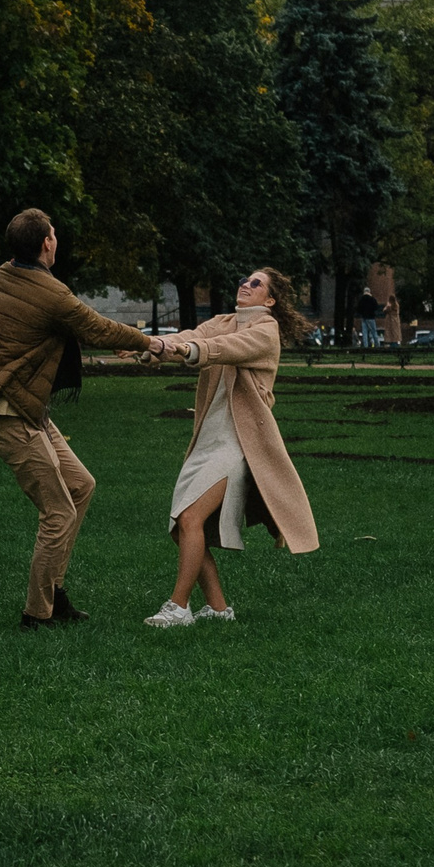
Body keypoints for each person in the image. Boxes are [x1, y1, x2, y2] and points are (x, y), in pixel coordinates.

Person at [0, 209, 167, 630]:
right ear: (46, 244)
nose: (56, 239)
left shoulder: (3, 275)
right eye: (54, 234)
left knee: (81, 485)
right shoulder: (48, 293)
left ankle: (54, 593)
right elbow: (96, 326)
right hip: (7, 412)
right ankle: (36, 615)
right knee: (58, 512)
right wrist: (152, 342)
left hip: (25, 405)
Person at [146, 268, 321, 626]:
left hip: (239, 442)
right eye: (244, 279)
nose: (246, 284)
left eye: (256, 283)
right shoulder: (225, 320)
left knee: (191, 518)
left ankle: (178, 607)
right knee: (183, 527)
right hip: (209, 438)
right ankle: (220, 609)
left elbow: (225, 349)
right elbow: (192, 335)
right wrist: (149, 346)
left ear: (270, 300)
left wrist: (190, 349)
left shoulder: (265, 331)